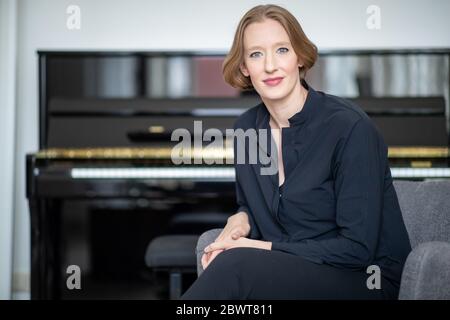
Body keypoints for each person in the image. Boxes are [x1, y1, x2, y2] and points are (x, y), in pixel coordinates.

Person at [181, 4, 411, 300]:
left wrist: (258, 247)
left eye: (282, 50)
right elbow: (252, 203)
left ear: (300, 57)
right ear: (244, 68)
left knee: (235, 265)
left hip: (366, 278)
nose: (269, 66)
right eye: (256, 54)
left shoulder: (349, 127)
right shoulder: (247, 128)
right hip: (296, 268)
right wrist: (241, 218)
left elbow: (357, 249)